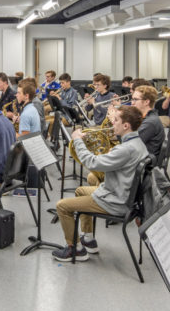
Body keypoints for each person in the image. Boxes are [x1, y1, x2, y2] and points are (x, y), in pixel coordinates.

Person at [54, 105, 148, 262]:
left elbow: (91, 162)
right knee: (80, 191)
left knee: (62, 206)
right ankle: (88, 238)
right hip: (122, 195)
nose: (113, 124)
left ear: (126, 126)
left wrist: (77, 141)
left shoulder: (125, 149)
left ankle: (75, 249)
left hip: (115, 201)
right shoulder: (136, 143)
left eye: (116, 120)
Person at [133, 85, 164, 158]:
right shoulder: (144, 117)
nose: (132, 103)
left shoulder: (150, 122)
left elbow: (131, 143)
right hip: (140, 154)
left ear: (146, 102)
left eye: (135, 99)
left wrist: (115, 122)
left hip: (143, 160)